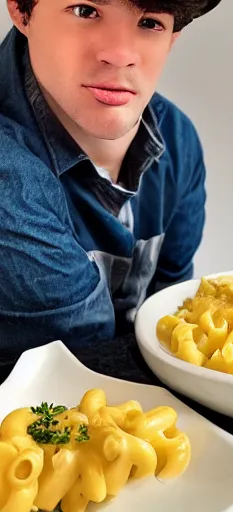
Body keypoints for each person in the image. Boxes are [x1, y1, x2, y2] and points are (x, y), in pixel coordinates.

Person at [0, 0, 221, 360]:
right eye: (85, 11)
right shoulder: (8, 173)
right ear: (20, 10)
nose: (119, 55)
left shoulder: (176, 139)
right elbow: (87, 362)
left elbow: (177, 322)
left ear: (173, 36)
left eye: (150, 22)